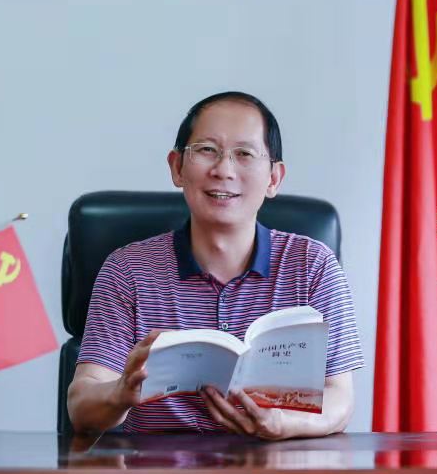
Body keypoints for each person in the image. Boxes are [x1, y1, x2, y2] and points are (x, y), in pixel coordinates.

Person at [67, 91, 364, 439]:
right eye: (207, 150)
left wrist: (282, 424)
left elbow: (339, 398)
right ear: (177, 167)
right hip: (157, 462)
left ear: (274, 178)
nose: (223, 170)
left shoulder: (313, 265)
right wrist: (118, 394)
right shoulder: (127, 270)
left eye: (244, 154)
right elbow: (81, 405)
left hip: (276, 459)